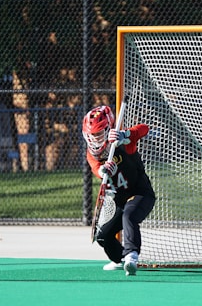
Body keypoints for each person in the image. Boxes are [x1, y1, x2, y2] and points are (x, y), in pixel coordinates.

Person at [82, 105, 156, 276]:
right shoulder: (91, 153)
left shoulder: (123, 141)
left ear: (109, 129)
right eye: (92, 135)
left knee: (129, 215)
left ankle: (132, 256)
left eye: (99, 134)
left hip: (140, 194)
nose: (95, 139)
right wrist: (103, 171)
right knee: (102, 236)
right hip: (118, 198)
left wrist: (126, 135)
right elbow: (96, 168)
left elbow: (144, 129)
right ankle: (120, 259)